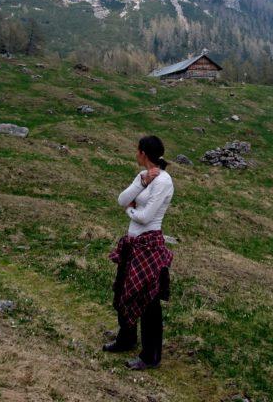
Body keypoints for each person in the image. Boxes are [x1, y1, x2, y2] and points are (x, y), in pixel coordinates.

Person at [103, 135, 174, 370]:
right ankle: (126, 339)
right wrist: (141, 183)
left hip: (149, 245)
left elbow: (144, 217)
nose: (135, 153)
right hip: (132, 244)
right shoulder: (144, 177)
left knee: (148, 300)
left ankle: (151, 356)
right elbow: (122, 199)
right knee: (122, 290)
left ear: (143, 152)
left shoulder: (164, 182)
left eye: (137, 150)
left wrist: (130, 211)